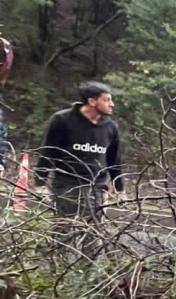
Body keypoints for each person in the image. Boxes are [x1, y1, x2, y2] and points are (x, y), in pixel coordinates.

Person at [33, 81, 124, 222]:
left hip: (96, 186)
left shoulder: (110, 127)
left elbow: (114, 160)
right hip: (66, 184)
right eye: (106, 100)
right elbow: (48, 152)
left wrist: (119, 188)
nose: (111, 104)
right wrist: (40, 182)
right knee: (66, 228)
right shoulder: (62, 120)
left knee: (92, 232)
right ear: (92, 101)